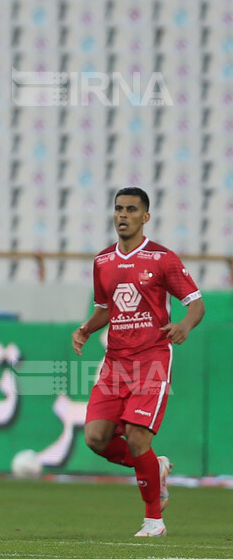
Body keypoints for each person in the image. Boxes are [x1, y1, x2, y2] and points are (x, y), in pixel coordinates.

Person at [73, 187, 203, 538]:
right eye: (118, 209)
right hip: (115, 363)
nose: (123, 215)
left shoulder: (162, 259)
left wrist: (184, 326)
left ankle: (153, 521)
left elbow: (196, 304)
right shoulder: (102, 261)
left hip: (151, 360)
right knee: (95, 438)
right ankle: (153, 466)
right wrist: (86, 329)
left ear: (145, 217)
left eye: (131, 210)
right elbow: (105, 308)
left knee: (135, 437)